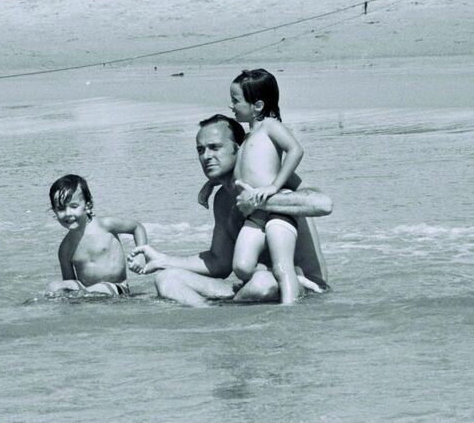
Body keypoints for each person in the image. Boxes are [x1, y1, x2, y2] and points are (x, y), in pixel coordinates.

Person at [128, 114, 332, 307]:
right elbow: (219, 262)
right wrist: (163, 260)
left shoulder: (269, 176)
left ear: (239, 149)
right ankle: (217, 318)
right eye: (200, 150)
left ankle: (231, 308)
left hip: (305, 287)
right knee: (167, 279)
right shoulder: (222, 199)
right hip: (254, 285)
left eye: (215, 147)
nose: (206, 156)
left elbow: (322, 203)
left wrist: (258, 202)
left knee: (262, 283)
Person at [226, 68, 304, 304]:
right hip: (255, 213)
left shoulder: (270, 126)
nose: (231, 106)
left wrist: (274, 186)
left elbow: (295, 150)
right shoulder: (248, 137)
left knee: (282, 266)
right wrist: (211, 185)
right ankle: (295, 280)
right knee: (241, 267)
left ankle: (289, 309)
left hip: (276, 208)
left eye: (236, 101)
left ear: (257, 106)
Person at [47, 174, 148, 296]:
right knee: (54, 287)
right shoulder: (65, 248)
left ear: (88, 205)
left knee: (96, 289)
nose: (68, 213)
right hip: (86, 291)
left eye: (74, 206)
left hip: (117, 287)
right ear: (54, 211)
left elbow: (137, 227)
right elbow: (69, 282)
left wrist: (141, 254)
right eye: (61, 209)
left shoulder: (105, 225)